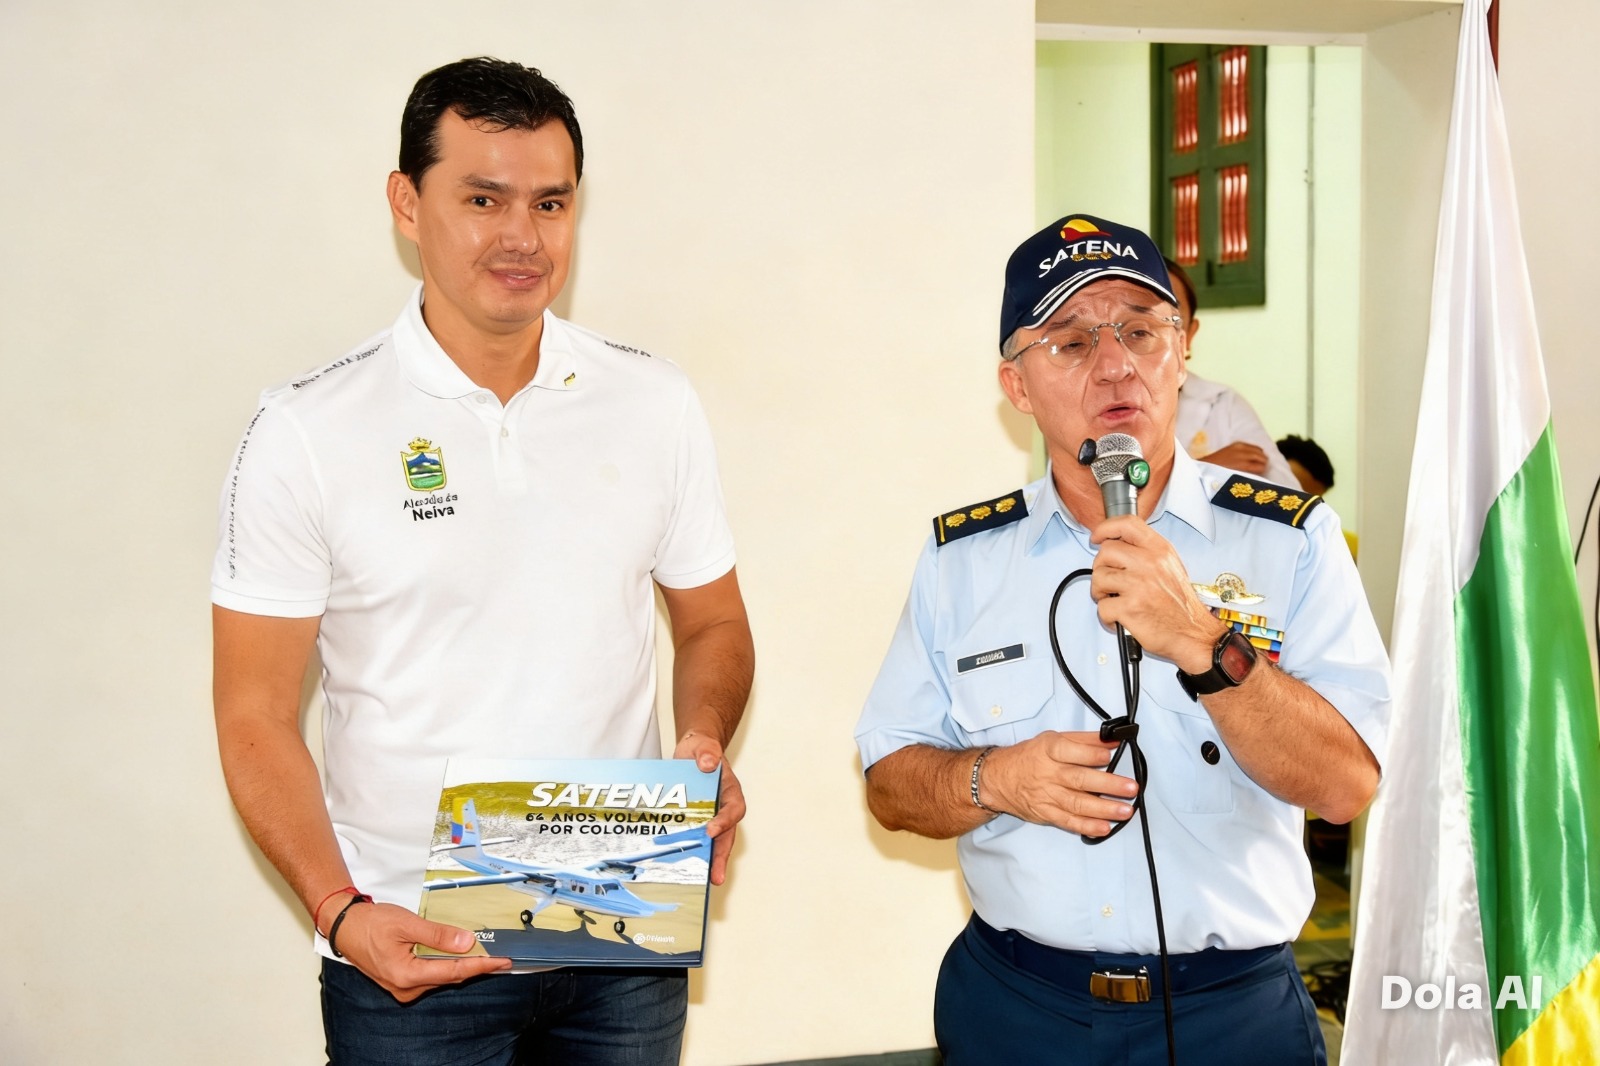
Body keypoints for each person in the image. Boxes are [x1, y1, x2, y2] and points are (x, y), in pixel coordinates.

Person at [211, 57, 753, 1065]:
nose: (522, 237)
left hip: (620, 923)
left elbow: (714, 622)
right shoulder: (305, 430)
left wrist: (704, 738)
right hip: (412, 950)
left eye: (550, 203)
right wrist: (338, 911)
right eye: (482, 199)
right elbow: (253, 711)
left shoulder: (653, 403)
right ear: (405, 204)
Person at [855, 214, 1390, 1064]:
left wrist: (1206, 644)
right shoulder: (964, 560)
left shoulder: (1290, 541)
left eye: (1141, 332)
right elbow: (890, 785)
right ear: (1017, 384)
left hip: (1234, 1019)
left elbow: (1347, 786)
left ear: (1180, 354)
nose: (1116, 365)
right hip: (1019, 1010)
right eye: (1071, 342)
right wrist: (996, 779)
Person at [1167, 257, 1299, 487]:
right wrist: (1205, 468)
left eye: (1171, 319)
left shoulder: (1224, 404)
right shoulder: (1102, 403)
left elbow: (1285, 494)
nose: (1157, 331)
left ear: (1190, 334)